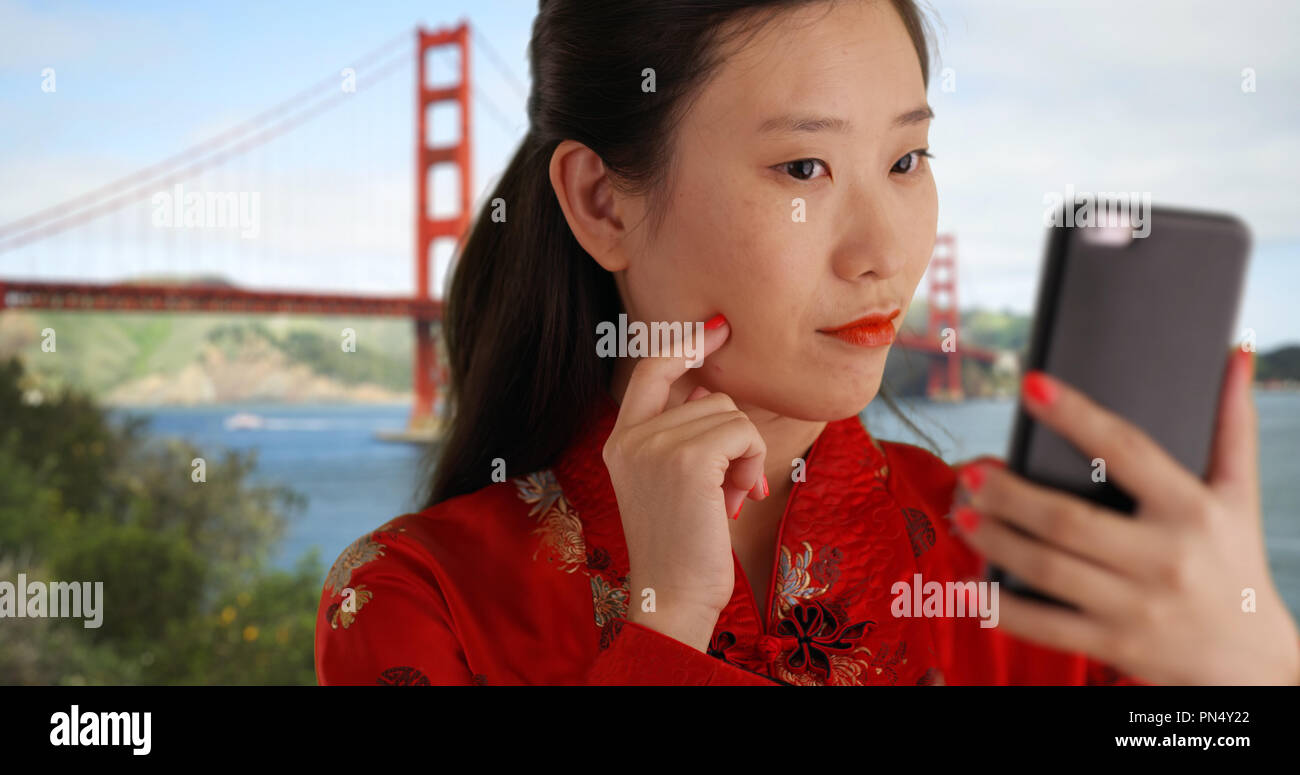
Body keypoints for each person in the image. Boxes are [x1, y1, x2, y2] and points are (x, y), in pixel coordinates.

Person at [314, 0, 1300, 685]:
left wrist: (1252, 669)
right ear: (602, 202)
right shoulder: (416, 598)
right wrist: (666, 624)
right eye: (802, 167)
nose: (883, 254)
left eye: (906, 159)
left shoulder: (1039, 558)